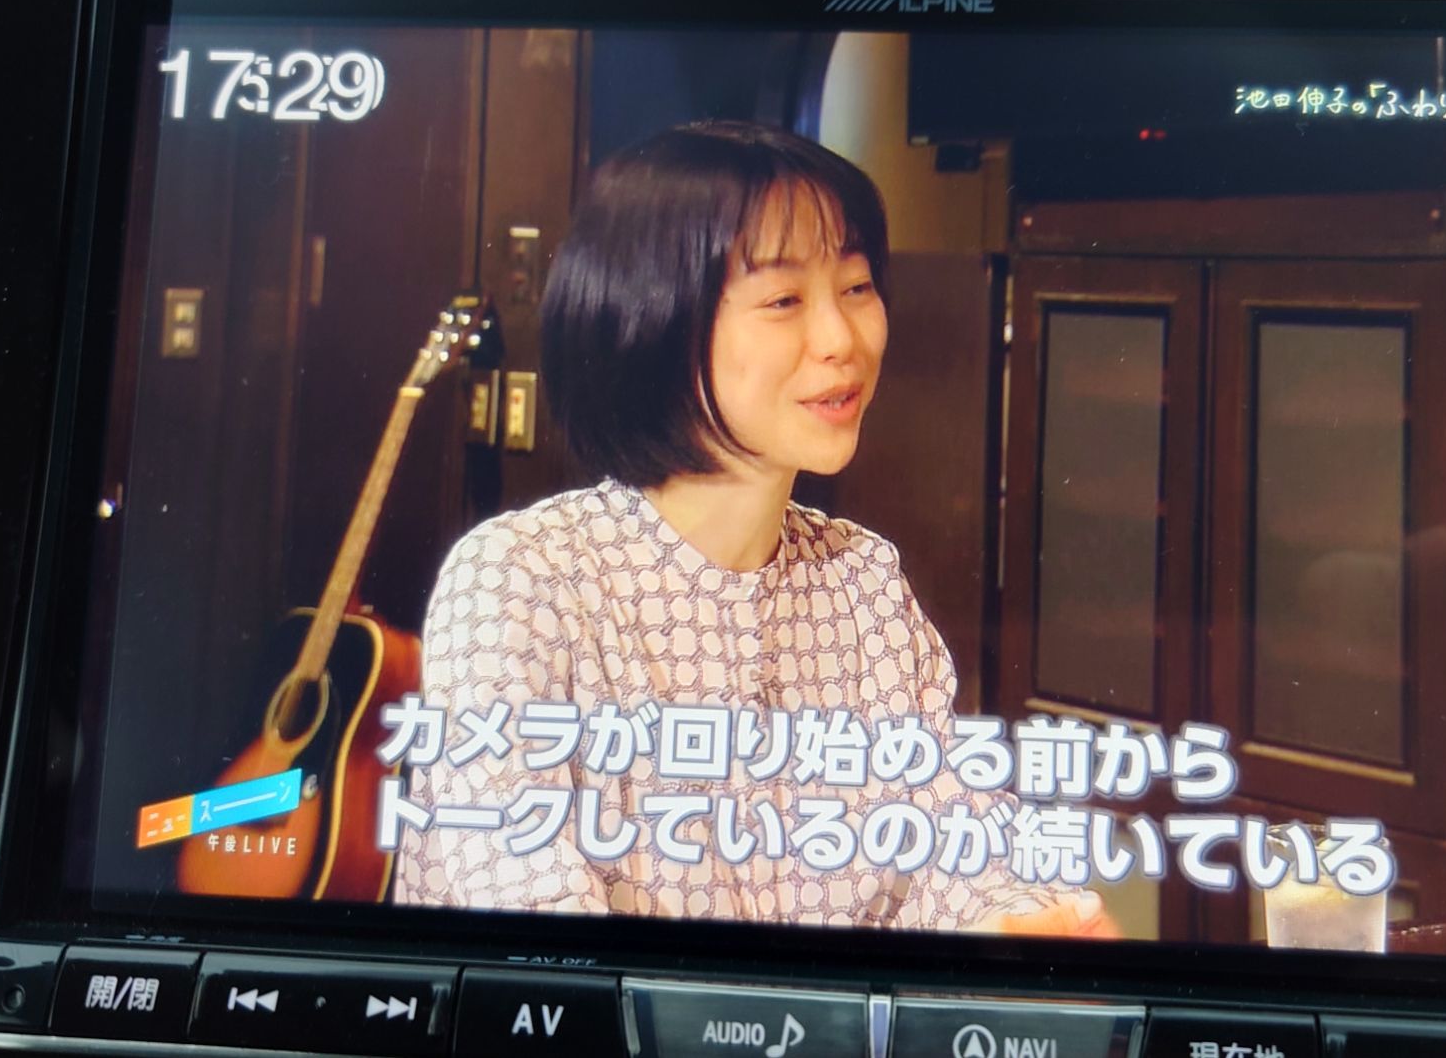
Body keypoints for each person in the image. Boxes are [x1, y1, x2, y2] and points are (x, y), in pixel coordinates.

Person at [394, 119, 1116, 936]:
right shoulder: (520, 580)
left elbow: (960, 840)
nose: (841, 339)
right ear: (654, 321)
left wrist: (1021, 924)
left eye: (856, 287)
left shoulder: (862, 581)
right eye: (783, 300)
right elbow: (530, 928)